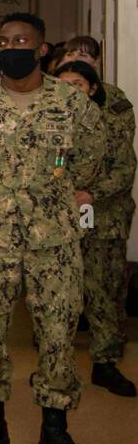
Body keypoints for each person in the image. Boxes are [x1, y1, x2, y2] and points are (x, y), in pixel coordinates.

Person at [0, 13, 107, 444]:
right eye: (3, 40)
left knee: (57, 333)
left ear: (41, 49)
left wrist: (51, 191)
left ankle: (55, 430)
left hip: (52, 238)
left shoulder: (71, 103)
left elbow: (92, 157)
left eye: (21, 40)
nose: (11, 46)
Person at [53, 60, 137, 397]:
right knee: (60, 296)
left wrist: (91, 194)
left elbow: (124, 171)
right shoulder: (49, 124)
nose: (71, 91)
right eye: (64, 84)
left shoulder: (112, 125)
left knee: (104, 291)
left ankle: (105, 362)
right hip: (60, 221)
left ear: (92, 89)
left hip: (104, 218)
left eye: (78, 84)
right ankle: (56, 368)